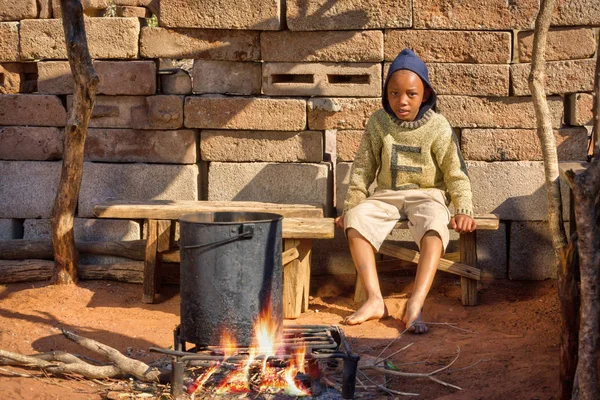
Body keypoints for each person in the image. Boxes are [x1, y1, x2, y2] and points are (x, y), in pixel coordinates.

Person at [336, 48, 476, 333]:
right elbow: (363, 168)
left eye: (411, 94)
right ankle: (375, 299)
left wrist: (463, 209)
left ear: (425, 94)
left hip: (428, 195)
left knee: (436, 224)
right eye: (394, 93)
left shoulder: (438, 126)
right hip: (386, 194)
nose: (402, 101)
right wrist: (351, 207)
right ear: (386, 94)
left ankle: (415, 303)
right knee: (357, 220)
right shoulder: (378, 122)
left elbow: (455, 172)